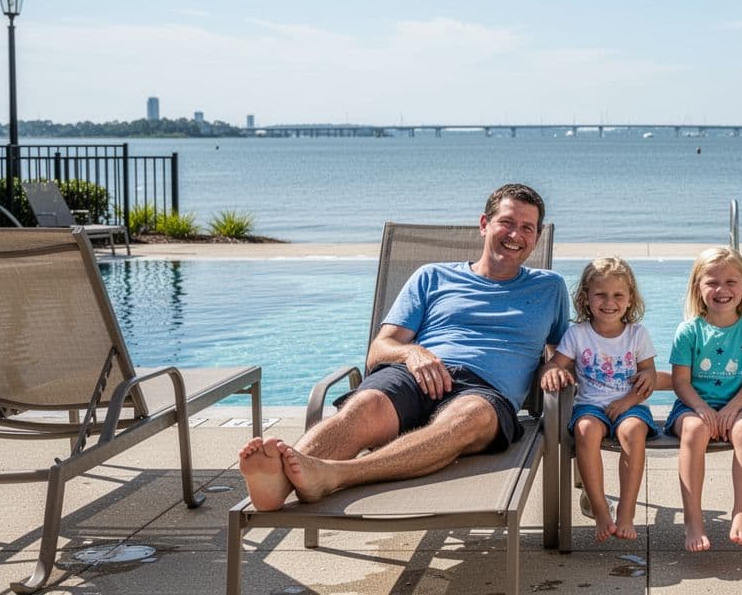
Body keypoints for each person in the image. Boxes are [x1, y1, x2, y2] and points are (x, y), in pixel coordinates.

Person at [238, 183, 571, 510]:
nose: (515, 235)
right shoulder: (432, 276)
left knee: (467, 419)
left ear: (536, 237)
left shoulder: (550, 287)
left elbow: (565, 352)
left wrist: (554, 366)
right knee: (364, 405)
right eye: (507, 223)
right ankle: (278, 484)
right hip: (416, 376)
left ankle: (335, 475)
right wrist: (412, 352)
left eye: (527, 228)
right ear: (484, 224)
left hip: (485, 392)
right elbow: (379, 350)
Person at [541, 257, 658, 542]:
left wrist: (627, 401)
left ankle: (626, 511)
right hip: (590, 406)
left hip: (630, 405)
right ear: (586, 298)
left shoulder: (637, 334)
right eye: (601, 295)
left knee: (633, 431)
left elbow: (649, 375)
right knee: (585, 430)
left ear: (630, 299)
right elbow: (553, 364)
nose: (609, 302)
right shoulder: (577, 334)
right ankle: (600, 509)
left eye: (618, 295)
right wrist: (551, 372)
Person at [666, 246, 742, 552]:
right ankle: (693, 520)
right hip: (691, 407)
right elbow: (680, 382)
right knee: (695, 430)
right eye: (712, 282)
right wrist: (701, 408)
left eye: (730, 282)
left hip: (738, 406)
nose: (722, 290)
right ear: (698, 288)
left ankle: (741, 514)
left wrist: (733, 409)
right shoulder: (689, 331)